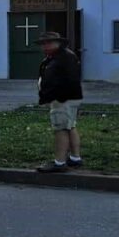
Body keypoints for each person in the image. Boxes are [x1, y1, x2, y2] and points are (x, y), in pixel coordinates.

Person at [34, 31, 84, 173]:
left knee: (60, 129)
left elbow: (70, 80)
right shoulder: (55, 57)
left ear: (59, 43)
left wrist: (57, 97)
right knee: (70, 126)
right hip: (67, 98)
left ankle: (59, 163)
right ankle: (75, 158)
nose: (45, 46)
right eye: (43, 44)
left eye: (49, 43)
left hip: (63, 99)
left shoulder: (64, 57)